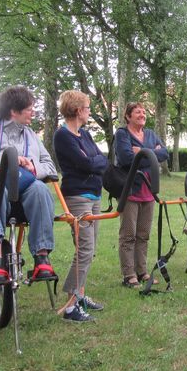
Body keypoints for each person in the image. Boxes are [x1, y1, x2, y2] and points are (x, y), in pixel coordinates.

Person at [0, 86, 58, 285]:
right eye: (29, 108)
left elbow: (50, 167)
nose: (33, 112)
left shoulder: (31, 135)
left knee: (41, 189)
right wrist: (5, 161)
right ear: (14, 111)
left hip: (24, 185)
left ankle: (41, 258)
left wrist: (32, 166)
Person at [53, 90, 108, 322]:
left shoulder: (84, 134)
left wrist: (93, 162)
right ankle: (71, 306)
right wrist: (93, 162)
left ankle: (80, 296)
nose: (89, 111)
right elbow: (86, 162)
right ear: (77, 110)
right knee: (84, 248)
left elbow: (101, 160)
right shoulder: (62, 136)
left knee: (90, 249)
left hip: (94, 195)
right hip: (77, 197)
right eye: (87, 108)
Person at [114, 102, 168, 288]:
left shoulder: (151, 134)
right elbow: (126, 158)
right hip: (130, 190)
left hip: (149, 191)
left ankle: (142, 271)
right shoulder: (122, 134)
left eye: (144, 112)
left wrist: (143, 153)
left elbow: (165, 154)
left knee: (143, 234)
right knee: (128, 235)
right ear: (128, 116)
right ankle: (129, 275)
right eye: (138, 111)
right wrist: (153, 154)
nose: (142, 114)